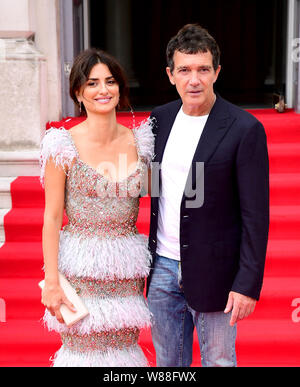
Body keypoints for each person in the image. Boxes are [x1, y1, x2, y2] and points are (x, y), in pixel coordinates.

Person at [147, 24, 269, 367]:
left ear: (217, 71)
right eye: (184, 70)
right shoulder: (159, 120)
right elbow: (157, 190)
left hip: (218, 272)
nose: (194, 80)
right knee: (168, 364)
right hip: (162, 271)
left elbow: (255, 216)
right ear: (171, 75)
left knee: (218, 361)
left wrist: (247, 284)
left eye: (203, 69)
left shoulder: (244, 128)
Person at [40, 48, 154, 367]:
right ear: (78, 91)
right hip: (80, 267)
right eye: (92, 83)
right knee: (84, 350)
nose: (103, 90)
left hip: (127, 268)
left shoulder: (142, 143)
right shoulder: (62, 146)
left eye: (110, 81)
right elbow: (51, 218)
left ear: (120, 88)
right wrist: (51, 282)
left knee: (123, 347)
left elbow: (166, 197)